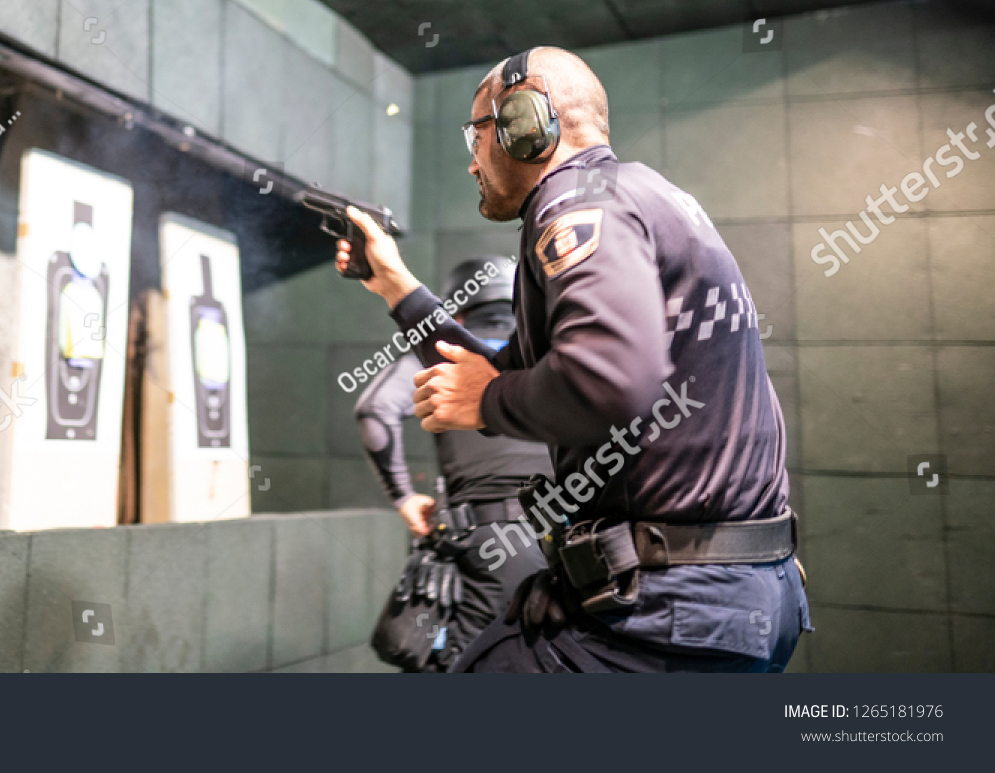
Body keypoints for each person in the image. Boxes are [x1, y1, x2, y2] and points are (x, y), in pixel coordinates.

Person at [337, 46, 809, 673]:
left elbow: (606, 380)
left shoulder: (578, 202)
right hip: (725, 600)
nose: (471, 160)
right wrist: (396, 286)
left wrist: (483, 402)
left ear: (526, 124)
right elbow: (513, 375)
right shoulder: (636, 192)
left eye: (477, 134)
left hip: (672, 612)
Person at [355, 259, 552, 668]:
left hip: (488, 537)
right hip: (570, 539)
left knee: (464, 662)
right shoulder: (550, 353)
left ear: (458, 313)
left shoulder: (445, 353)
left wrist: (403, 496)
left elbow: (374, 412)